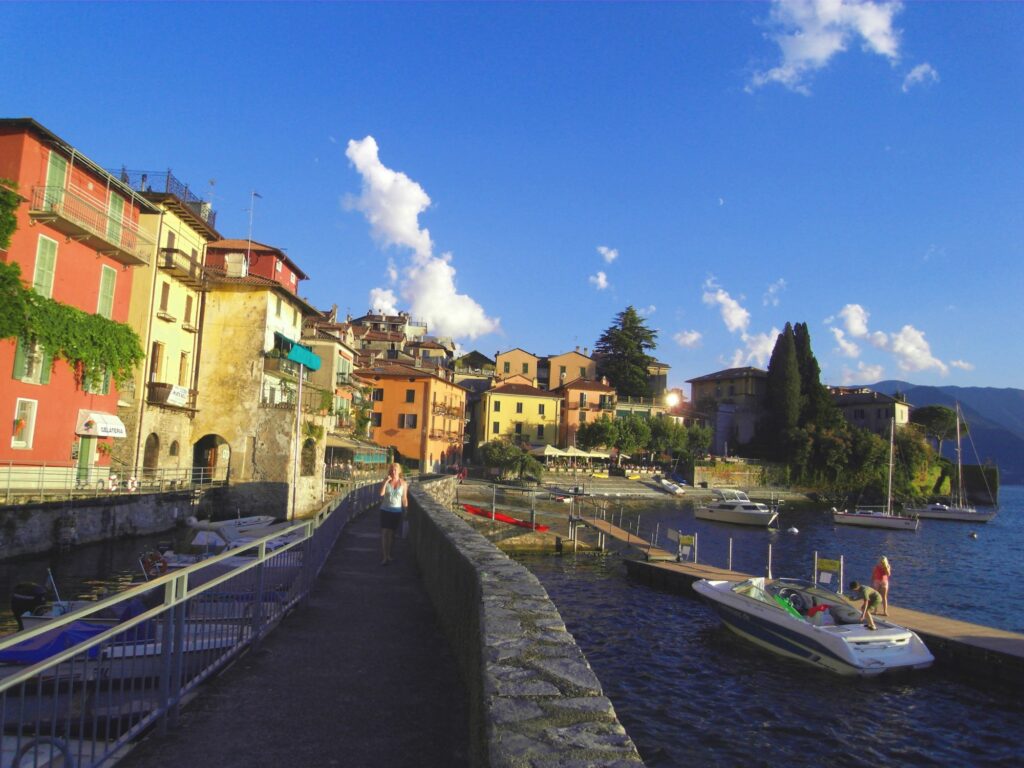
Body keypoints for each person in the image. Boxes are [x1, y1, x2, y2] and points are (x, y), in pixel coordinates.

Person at [378, 462, 408, 565]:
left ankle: (389, 554)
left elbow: (404, 498)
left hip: (396, 511)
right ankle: (385, 556)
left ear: (399, 471)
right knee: (385, 533)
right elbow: (381, 493)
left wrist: (406, 510)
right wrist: (386, 481)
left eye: (396, 470)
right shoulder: (387, 481)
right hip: (385, 510)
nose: (394, 472)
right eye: (392, 470)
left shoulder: (403, 483)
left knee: (391, 534)